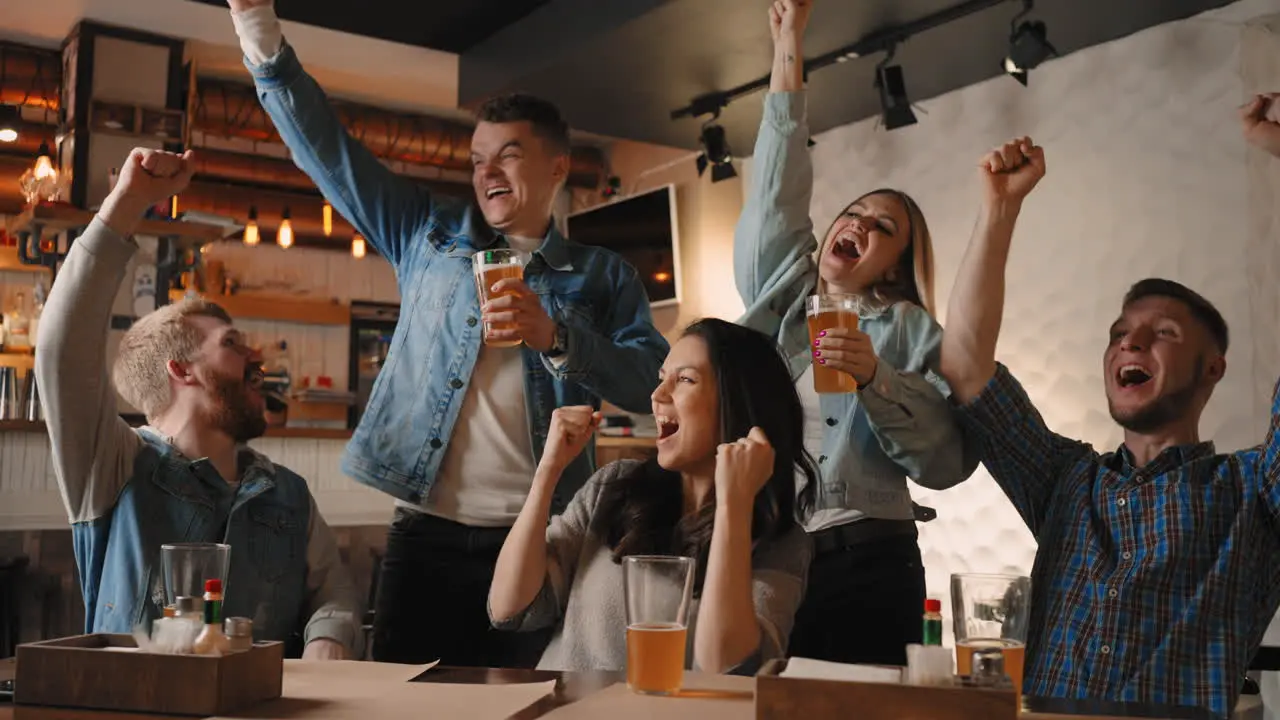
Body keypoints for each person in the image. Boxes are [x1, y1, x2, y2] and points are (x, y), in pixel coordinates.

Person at [221, 1, 669, 668]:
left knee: (530, 707)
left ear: (557, 170)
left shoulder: (601, 276)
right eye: (477, 158)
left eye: (508, 156)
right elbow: (330, 156)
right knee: (405, 706)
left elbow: (648, 385)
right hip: (424, 536)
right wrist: (259, 29)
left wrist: (556, 336)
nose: (486, 172)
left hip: (541, 539)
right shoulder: (427, 235)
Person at [938, 95, 1280, 718]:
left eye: (1164, 333)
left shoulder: (1251, 492)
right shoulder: (1067, 479)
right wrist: (999, 209)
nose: (1131, 341)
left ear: (1213, 369)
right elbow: (965, 366)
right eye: (1120, 332)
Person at [36, 148, 360, 660]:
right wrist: (128, 203)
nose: (256, 357)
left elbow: (334, 595)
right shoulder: (114, 467)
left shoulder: (290, 495)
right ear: (181, 370)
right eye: (232, 344)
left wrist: (328, 637)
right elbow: (61, 349)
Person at [733, 0, 978, 666]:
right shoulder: (781, 297)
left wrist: (875, 375)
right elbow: (777, 193)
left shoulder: (909, 330)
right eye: (857, 212)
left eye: (884, 229)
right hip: (767, 556)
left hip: (871, 559)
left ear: (894, 265)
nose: (863, 225)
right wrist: (788, 46)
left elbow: (947, 463)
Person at [488, 319, 815, 674]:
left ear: (739, 402)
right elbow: (509, 607)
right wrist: (548, 471)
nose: (657, 395)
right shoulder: (613, 485)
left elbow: (728, 666)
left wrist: (733, 507)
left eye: (685, 380)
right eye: (662, 378)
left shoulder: (782, 542)